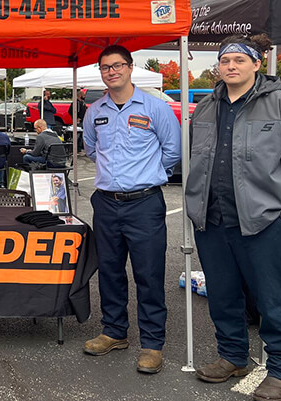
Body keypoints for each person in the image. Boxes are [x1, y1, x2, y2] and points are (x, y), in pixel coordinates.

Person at [185, 34, 281, 401]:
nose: (231, 66)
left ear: (257, 64)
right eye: (225, 60)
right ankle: (233, 356)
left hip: (265, 224)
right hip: (212, 222)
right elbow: (193, 160)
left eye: (239, 60)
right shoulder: (205, 108)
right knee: (223, 295)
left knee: (274, 300)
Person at [82, 44, 181, 374]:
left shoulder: (156, 108)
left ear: (130, 67)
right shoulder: (95, 110)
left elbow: (172, 152)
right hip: (106, 204)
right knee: (109, 272)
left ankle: (152, 344)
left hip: (145, 204)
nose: (111, 71)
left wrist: (144, 177)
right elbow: (92, 150)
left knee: (149, 274)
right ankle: (114, 332)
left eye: (117, 65)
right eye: (105, 67)